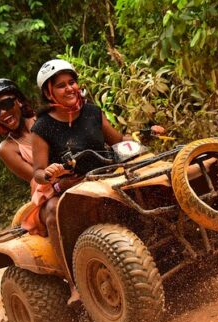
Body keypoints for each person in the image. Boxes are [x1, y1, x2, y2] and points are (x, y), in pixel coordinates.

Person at [30, 59, 164, 304]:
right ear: (49, 92)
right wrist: (49, 172)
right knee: (51, 212)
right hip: (71, 185)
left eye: (72, 82)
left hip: (107, 173)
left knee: (152, 181)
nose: (70, 88)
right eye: (61, 85)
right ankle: (74, 284)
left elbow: (117, 141)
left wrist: (145, 134)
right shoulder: (42, 126)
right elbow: (37, 171)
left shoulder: (92, 112)